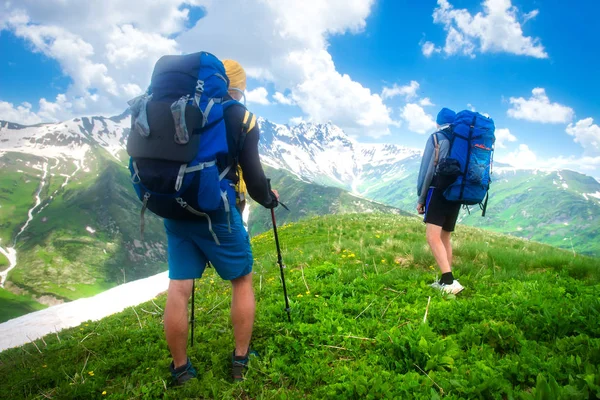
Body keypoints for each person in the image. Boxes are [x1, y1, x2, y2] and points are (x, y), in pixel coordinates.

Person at [164, 59, 279, 385]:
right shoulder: (240, 117)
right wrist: (269, 198)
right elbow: (255, 179)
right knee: (241, 280)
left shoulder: (180, 108)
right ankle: (240, 360)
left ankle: (181, 370)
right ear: (237, 87)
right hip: (217, 210)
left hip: (175, 207)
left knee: (179, 286)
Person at [416, 107, 464, 295]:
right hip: (457, 193)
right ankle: (447, 280)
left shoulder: (437, 137)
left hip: (438, 191)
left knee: (432, 236)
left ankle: (448, 281)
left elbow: (427, 170)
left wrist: (421, 197)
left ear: (438, 122)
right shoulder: (461, 140)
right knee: (445, 237)